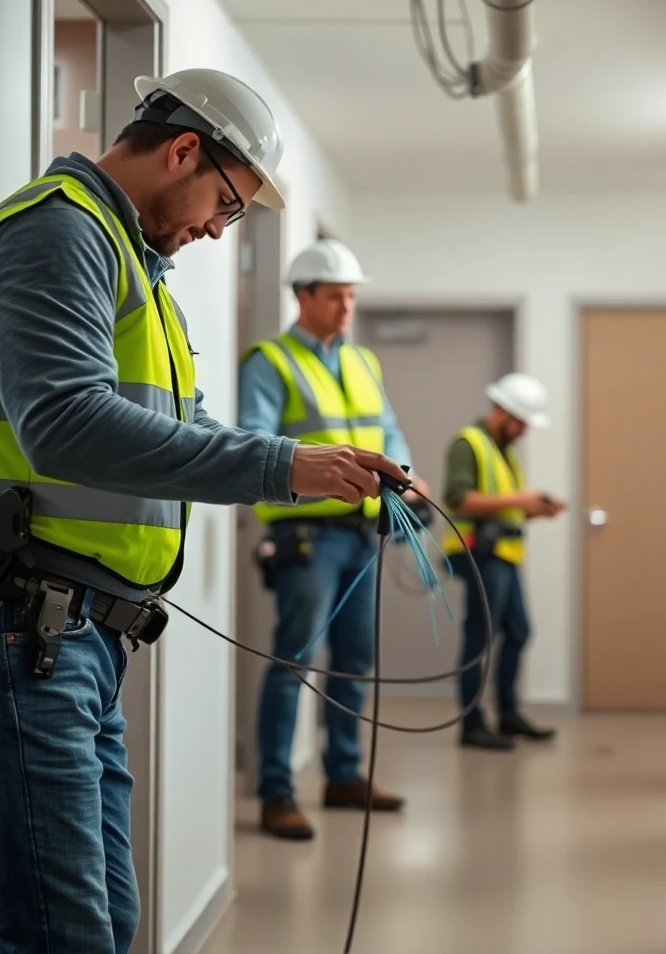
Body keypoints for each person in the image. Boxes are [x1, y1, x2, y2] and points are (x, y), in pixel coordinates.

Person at [0, 68, 406, 954]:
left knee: (107, 919)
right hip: (32, 635)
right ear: (182, 149)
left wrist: (317, 465)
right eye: (224, 207)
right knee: (62, 931)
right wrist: (279, 464)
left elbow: (179, 424)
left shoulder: (135, 263)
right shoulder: (61, 230)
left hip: (88, 642)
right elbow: (63, 425)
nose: (216, 233)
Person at [238, 239, 428, 840]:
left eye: (352, 296)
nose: (347, 307)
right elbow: (255, 447)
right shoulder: (269, 362)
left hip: (360, 536)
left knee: (354, 660)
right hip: (306, 538)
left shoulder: (364, 362)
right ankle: (276, 791)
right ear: (303, 297)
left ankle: (344, 776)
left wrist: (403, 474)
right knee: (293, 660)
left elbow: (390, 433)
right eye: (336, 296)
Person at [441, 373, 567, 751]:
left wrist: (535, 510)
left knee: (518, 632)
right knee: (480, 638)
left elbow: (504, 508)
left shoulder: (504, 452)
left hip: (504, 555)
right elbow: (458, 499)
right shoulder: (469, 443)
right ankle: (472, 723)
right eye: (522, 423)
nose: (525, 431)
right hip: (479, 553)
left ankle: (508, 714)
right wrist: (520, 501)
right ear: (504, 412)